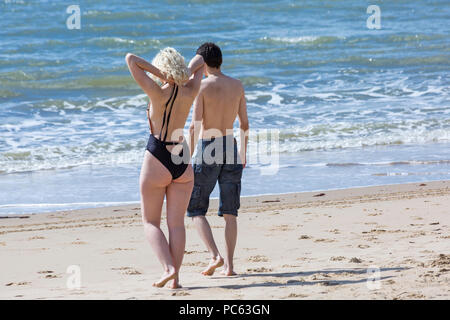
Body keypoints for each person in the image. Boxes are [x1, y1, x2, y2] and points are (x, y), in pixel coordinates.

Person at [125, 48, 204, 288]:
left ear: (163, 70)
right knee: (177, 224)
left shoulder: (156, 93)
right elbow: (200, 60)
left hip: (158, 156)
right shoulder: (191, 90)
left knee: (150, 222)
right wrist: (183, 74)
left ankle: (168, 268)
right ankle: (175, 280)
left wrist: (164, 75)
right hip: (182, 157)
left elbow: (131, 60)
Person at [187, 42, 249, 277]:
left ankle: (215, 255)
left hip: (208, 146)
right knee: (230, 212)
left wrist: (185, 155)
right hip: (231, 145)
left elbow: (195, 126)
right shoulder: (237, 85)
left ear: (202, 64)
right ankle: (230, 267)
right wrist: (243, 152)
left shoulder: (201, 87)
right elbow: (244, 124)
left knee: (195, 209)